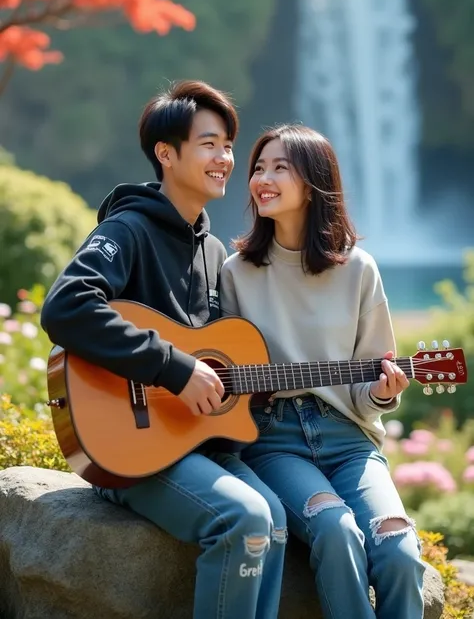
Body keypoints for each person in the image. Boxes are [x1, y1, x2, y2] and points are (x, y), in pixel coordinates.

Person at [40, 81, 287, 619]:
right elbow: (65, 306)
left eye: (227, 145)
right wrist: (175, 369)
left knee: (275, 518)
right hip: (127, 450)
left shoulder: (213, 249)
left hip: (188, 444)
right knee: (243, 517)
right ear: (166, 154)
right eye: (208, 144)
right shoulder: (125, 229)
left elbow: (214, 360)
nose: (224, 159)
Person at [219, 123, 425, 619]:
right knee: (334, 529)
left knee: (398, 551)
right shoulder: (236, 272)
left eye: (279, 168)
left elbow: (369, 383)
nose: (261, 179)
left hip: (349, 440)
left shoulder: (359, 269)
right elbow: (225, 376)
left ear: (312, 183)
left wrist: (379, 393)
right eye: (258, 168)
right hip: (274, 441)